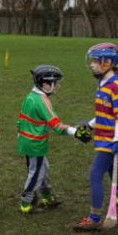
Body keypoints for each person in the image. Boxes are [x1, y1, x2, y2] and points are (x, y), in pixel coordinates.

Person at [72, 43, 118, 231]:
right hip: (104, 137)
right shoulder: (103, 84)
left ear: (108, 62)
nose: (92, 65)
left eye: (96, 61)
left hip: (111, 141)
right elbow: (107, 113)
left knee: (95, 174)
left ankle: (94, 217)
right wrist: (90, 124)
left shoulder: (116, 87)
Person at [16, 64, 80, 214]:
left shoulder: (30, 96)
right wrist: (75, 132)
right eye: (55, 83)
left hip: (27, 140)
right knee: (36, 173)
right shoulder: (41, 100)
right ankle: (26, 203)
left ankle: (47, 197)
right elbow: (57, 126)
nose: (57, 86)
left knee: (42, 168)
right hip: (35, 143)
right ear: (46, 83)